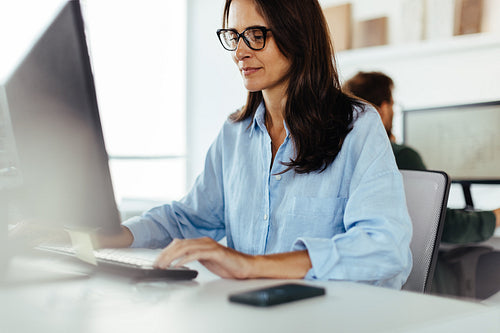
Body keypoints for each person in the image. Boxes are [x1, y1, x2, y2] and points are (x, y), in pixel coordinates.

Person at [98, 0, 412, 287]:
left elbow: (383, 247)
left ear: (298, 36)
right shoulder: (234, 133)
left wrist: (251, 265)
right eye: (235, 36)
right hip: (250, 313)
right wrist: (110, 236)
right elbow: (188, 218)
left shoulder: (357, 125)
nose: (240, 52)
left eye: (257, 35)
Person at [343, 71, 500, 297]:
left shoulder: (341, 153)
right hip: (406, 284)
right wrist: (495, 217)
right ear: (383, 109)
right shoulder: (400, 155)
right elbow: (442, 224)